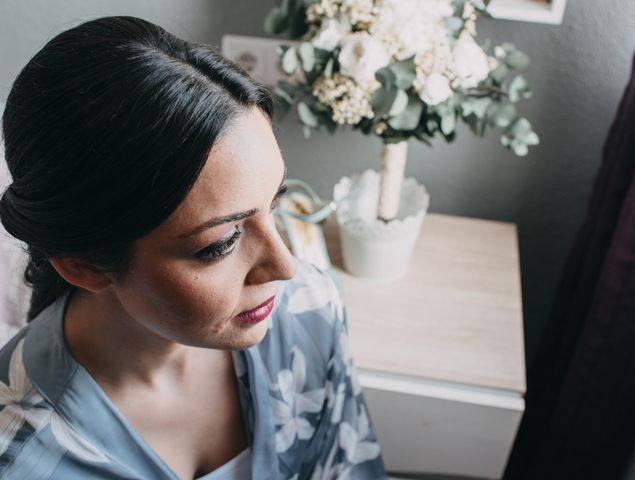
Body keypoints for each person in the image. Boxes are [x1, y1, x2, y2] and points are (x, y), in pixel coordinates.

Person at [0, 16, 387, 480]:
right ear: (84, 264)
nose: (285, 266)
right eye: (220, 244)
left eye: (274, 204)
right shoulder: (18, 454)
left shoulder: (310, 313)